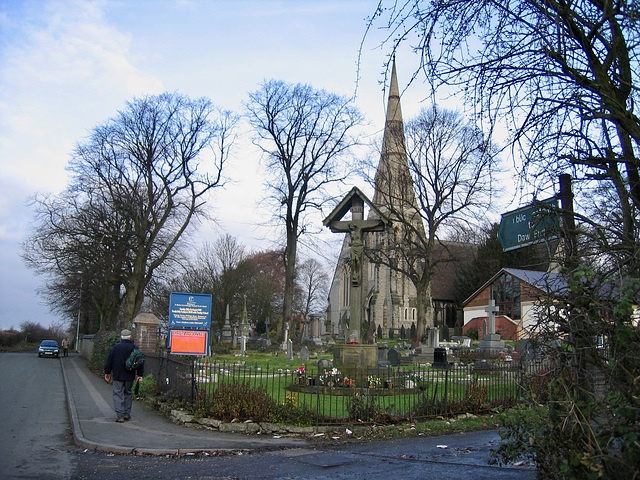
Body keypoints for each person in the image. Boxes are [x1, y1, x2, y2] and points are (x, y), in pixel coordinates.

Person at [104, 329, 144, 422]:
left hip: (117, 375)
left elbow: (109, 361)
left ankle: (120, 415)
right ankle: (127, 413)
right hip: (130, 375)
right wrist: (139, 374)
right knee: (128, 393)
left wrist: (107, 372)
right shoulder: (135, 348)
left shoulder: (115, 347)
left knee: (118, 394)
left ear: (121, 337)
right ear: (130, 337)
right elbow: (140, 361)